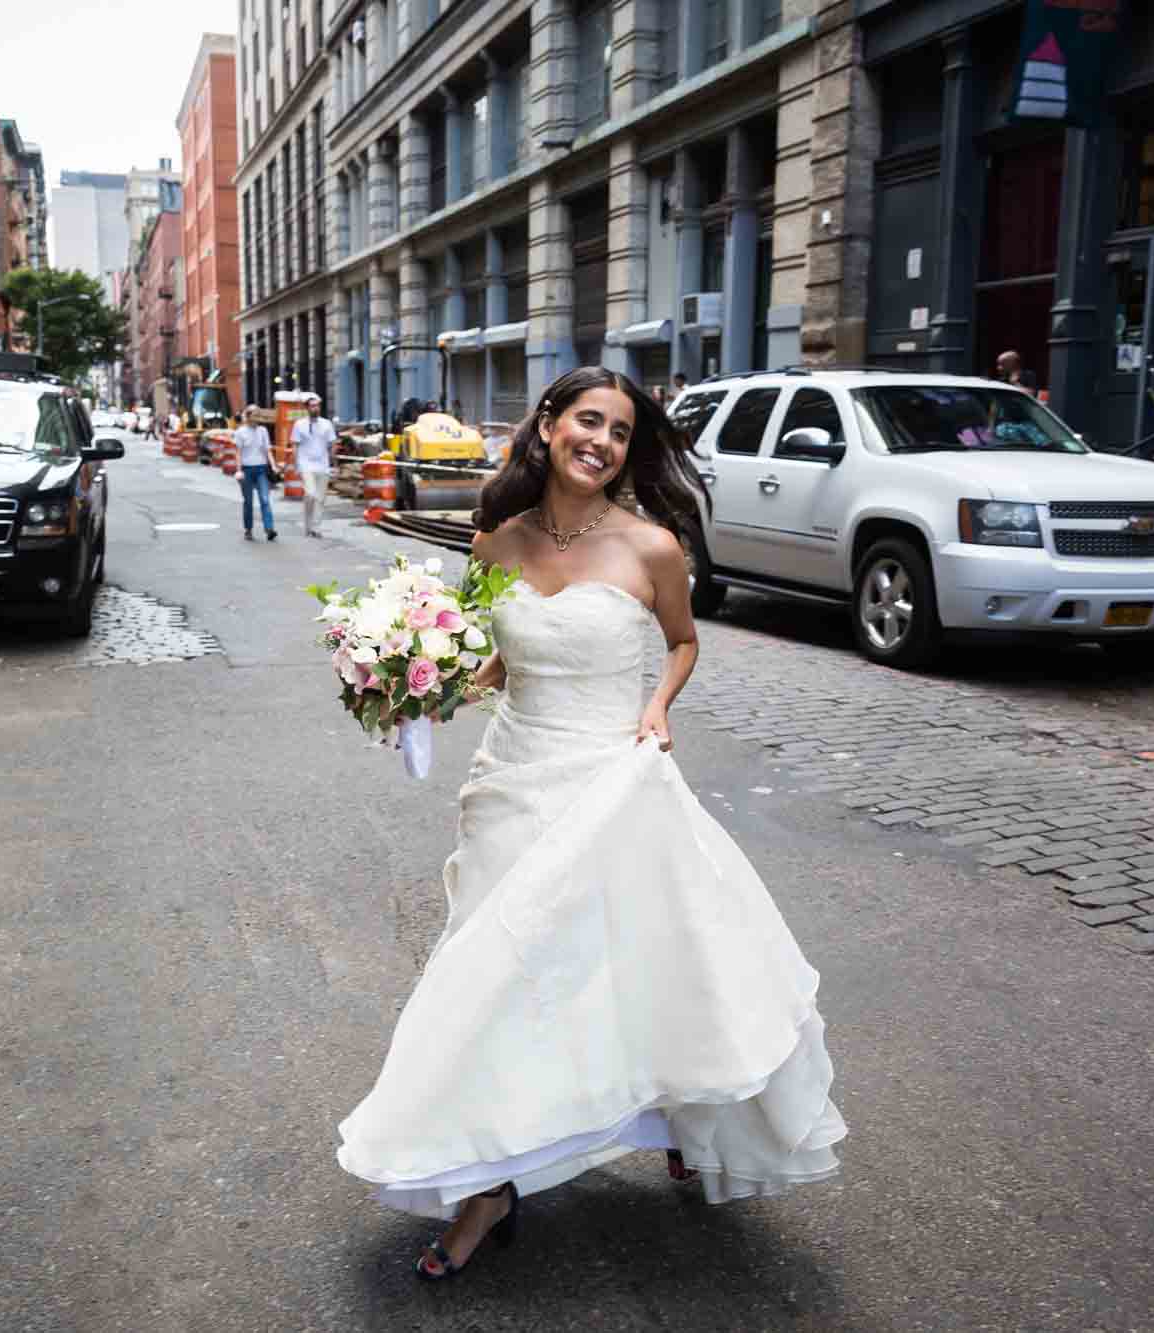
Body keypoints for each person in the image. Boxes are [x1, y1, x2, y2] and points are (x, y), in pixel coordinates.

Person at [336, 366, 846, 1281]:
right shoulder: (496, 544)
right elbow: (491, 664)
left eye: (618, 431)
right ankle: (489, 1186)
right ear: (548, 424)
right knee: (492, 975)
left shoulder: (653, 547)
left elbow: (685, 640)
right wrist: (413, 676)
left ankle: (675, 1114)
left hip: (612, 782)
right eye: (587, 420)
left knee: (637, 968)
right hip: (513, 782)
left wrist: (659, 704)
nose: (601, 441)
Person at [292, 393, 338, 538]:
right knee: (310, 494)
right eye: (312, 406)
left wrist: (333, 463)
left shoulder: (327, 424)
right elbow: (295, 445)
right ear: (307, 408)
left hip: (323, 465)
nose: (315, 408)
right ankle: (308, 523)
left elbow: (332, 444)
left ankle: (316, 527)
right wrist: (296, 465)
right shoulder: (299, 424)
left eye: (317, 406)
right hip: (305, 464)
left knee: (320, 498)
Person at [233, 406, 277, 542]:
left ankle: (269, 528)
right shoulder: (240, 432)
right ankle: (248, 529)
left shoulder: (263, 431)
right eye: (255, 414)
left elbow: (267, 449)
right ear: (248, 416)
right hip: (246, 470)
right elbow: (238, 453)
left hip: (261, 469)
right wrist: (239, 470)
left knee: (264, 499)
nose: (258, 417)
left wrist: (273, 465)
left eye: (259, 414)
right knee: (248, 501)